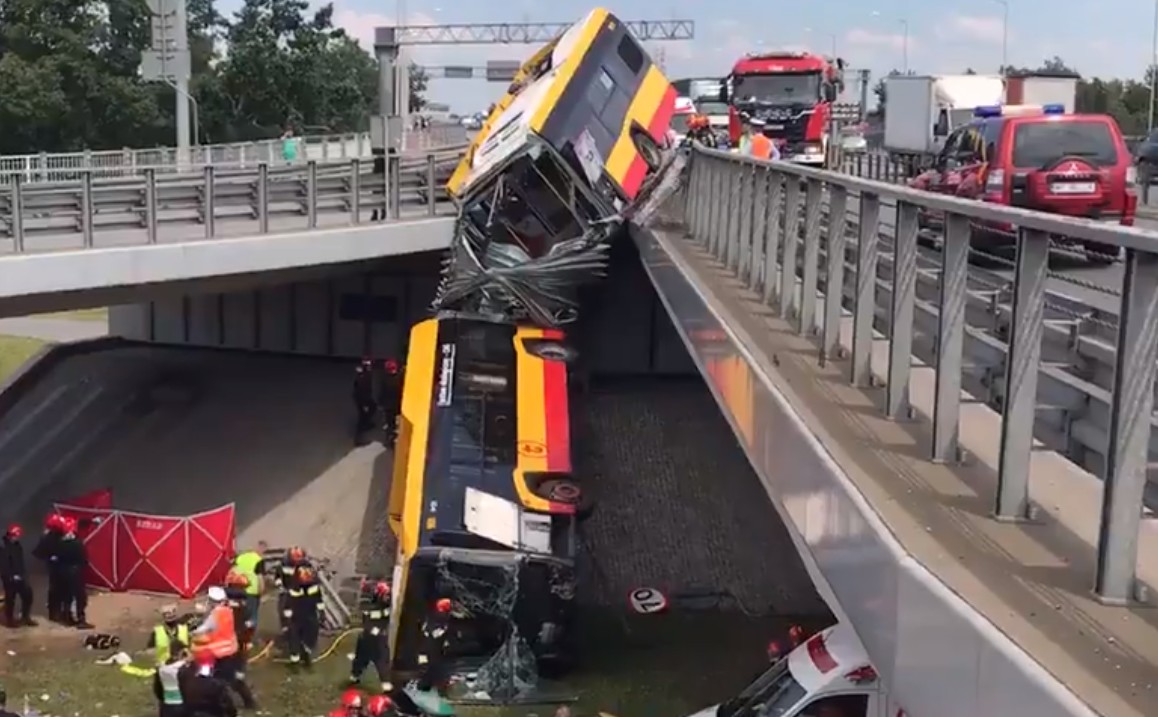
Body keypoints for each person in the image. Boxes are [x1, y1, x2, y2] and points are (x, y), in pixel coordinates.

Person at [192, 586, 255, 710]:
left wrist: (193, 632)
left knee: (218, 681)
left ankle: (222, 705)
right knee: (233, 679)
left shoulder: (215, 614)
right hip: (230, 650)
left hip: (217, 653)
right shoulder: (228, 611)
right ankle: (249, 701)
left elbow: (203, 629)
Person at [349, 581, 391, 689]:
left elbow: (385, 619)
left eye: (388, 595)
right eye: (385, 595)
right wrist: (376, 631)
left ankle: (385, 682)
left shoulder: (386, 605)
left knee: (382, 659)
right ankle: (355, 675)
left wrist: (381, 631)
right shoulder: (367, 606)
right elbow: (367, 623)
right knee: (361, 658)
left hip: (379, 638)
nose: (387, 598)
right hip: (367, 638)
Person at [284, 565, 323, 668]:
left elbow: (319, 600)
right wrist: (287, 619)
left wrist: (322, 613)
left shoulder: (314, 587)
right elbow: (287, 605)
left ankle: (306, 655)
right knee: (294, 639)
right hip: (296, 618)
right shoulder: (293, 588)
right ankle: (294, 662)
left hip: (310, 616)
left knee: (310, 637)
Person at [56, 517, 92, 629]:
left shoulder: (60, 543)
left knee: (67, 596)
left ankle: (67, 618)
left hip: (63, 572)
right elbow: (84, 559)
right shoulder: (77, 543)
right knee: (80, 597)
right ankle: (81, 620)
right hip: (76, 572)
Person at [415, 597, 453, 696]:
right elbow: (435, 635)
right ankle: (426, 690)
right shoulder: (439, 621)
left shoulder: (433, 618)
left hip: (427, 652)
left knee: (430, 672)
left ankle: (428, 689)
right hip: (430, 653)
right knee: (430, 672)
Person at [1, 524, 35, 627]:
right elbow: (4, 564)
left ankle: (25, 617)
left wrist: (22, 574)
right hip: (9, 578)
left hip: (20, 576)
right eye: (15, 536)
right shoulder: (3, 547)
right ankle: (9, 620)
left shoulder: (17, 546)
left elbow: (19, 561)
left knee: (28, 595)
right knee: (10, 599)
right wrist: (11, 576)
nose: (17, 538)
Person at [32, 513, 64, 622]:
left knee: (58, 589)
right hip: (55, 567)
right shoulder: (50, 537)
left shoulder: (53, 535)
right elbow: (38, 553)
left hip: (59, 565)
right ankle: (55, 613)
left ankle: (57, 612)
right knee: (56, 589)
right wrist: (50, 557)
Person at [231, 541, 268, 629]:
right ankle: (247, 637)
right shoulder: (259, 560)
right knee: (252, 617)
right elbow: (260, 578)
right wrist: (262, 591)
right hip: (252, 592)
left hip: (236, 590)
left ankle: (238, 633)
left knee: (238, 615)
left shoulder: (240, 557)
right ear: (262, 549)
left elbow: (232, 570)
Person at [153, 640, 189, 717]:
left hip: (166, 705)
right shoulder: (183, 667)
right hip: (181, 705)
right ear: (181, 652)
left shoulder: (161, 668)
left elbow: (157, 689)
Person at [376, 358, 404, 441]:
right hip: (396, 404)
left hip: (388, 405)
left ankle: (389, 437)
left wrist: (380, 403)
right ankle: (393, 437)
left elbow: (381, 392)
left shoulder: (384, 378)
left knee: (390, 422)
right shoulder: (397, 378)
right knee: (395, 421)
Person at [353, 359, 377, 436]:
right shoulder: (363, 377)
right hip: (362, 398)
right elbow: (362, 389)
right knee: (363, 415)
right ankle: (358, 436)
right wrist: (364, 403)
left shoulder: (365, 374)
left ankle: (366, 423)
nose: (370, 367)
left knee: (371, 408)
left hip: (362, 397)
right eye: (369, 366)